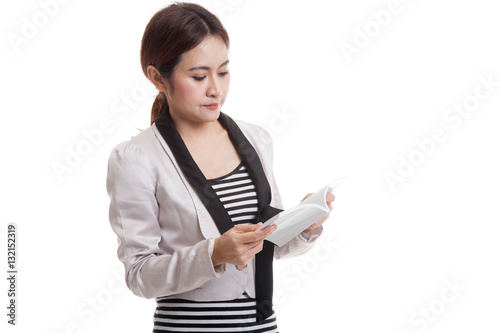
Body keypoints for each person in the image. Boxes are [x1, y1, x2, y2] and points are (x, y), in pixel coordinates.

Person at [106, 2, 335, 332]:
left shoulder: (256, 139)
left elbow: (267, 246)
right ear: (158, 77)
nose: (216, 89)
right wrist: (213, 253)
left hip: (262, 325)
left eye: (223, 71)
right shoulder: (135, 158)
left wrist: (306, 222)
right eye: (199, 76)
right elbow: (139, 275)